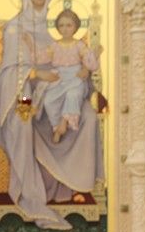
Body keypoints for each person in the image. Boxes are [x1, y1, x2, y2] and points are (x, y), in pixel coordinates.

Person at [0, 0, 104, 231]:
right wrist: (35, 74)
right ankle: (31, 193)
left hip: (57, 88)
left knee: (88, 115)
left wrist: (83, 72)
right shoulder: (15, 28)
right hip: (23, 92)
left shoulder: (51, 28)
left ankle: (74, 185)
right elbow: (7, 72)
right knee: (22, 119)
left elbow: (66, 60)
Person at [30, 8, 102, 145]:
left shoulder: (79, 45)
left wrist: (87, 65)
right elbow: (40, 58)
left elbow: (89, 61)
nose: (65, 29)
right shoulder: (54, 46)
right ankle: (56, 126)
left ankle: (64, 122)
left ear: (75, 27)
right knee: (49, 100)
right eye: (61, 25)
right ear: (57, 28)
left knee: (72, 94)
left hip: (75, 77)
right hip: (59, 79)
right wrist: (29, 45)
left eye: (69, 25)